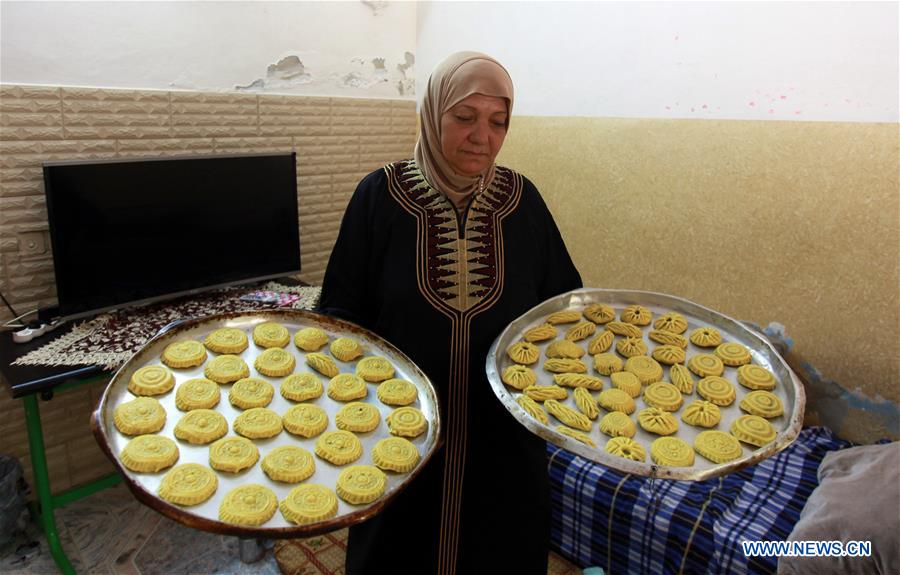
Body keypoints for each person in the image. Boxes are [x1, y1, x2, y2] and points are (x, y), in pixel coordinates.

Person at [318, 51, 582, 575]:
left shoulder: (522, 201)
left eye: (498, 121)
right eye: (464, 117)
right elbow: (339, 316)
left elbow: (563, 308)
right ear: (433, 112)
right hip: (399, 438)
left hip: (503, 443)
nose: (481, 136)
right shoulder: (379, 197)